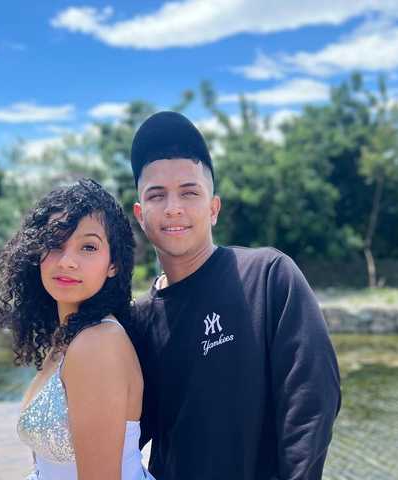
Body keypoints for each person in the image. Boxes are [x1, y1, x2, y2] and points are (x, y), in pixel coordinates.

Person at [128, 111, 341, 480]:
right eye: (157, 195)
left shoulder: (269, 276)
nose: (173, 207)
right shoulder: (139, 321)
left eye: (189, 192)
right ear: (140, 215)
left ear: (214, 208)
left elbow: (311, 402)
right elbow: (126, 432)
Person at [0, 179, 154, 480]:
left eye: (88, 247)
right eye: (55, 244)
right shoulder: (67, 339)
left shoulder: (98, 343)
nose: (67, 261)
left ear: (113, 264)